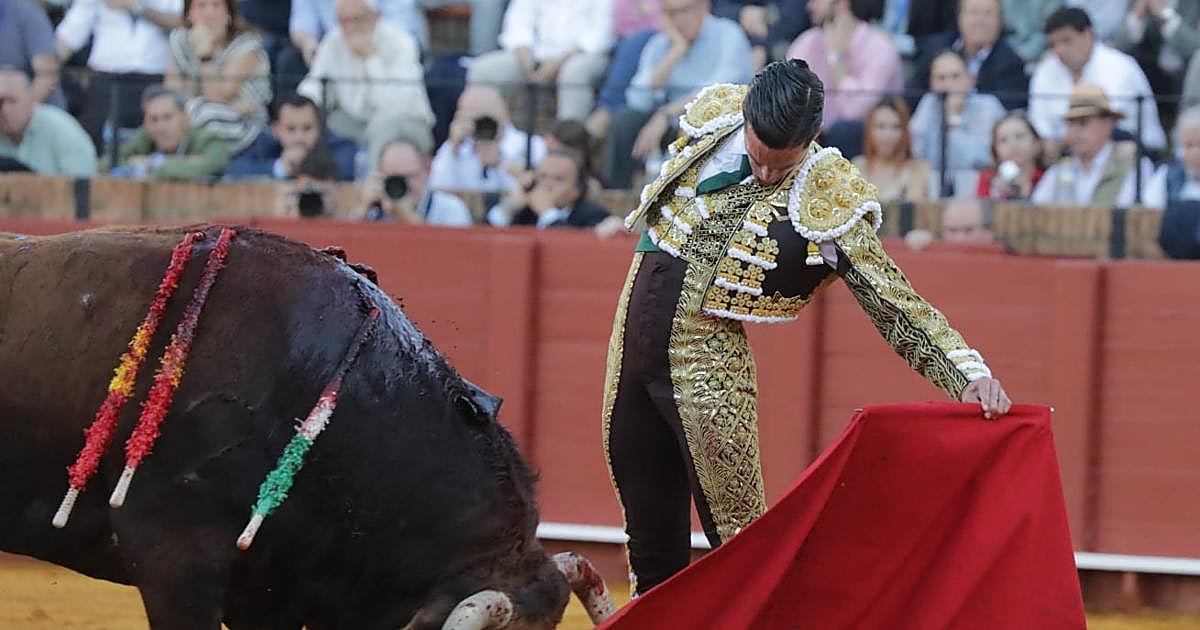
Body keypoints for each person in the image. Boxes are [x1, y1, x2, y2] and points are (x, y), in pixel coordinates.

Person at [604, 60, 1012, 595]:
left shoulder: (825, 193)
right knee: (648, 537)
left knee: (742, 545)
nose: (769, 173)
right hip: (629, 350)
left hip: (705, 369)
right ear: (746, 115)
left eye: (784, 161)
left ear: (813, 135)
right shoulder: (712, 121)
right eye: (759, 155)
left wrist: (965, 374)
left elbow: (892, 300)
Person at [1028, 7, 1167, 156]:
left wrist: (1059, 144)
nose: (1059, 50)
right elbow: (1039, 125)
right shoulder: (1046, 69)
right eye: (1053, 44)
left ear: (1088, 34)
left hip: (1134, 153)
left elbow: (1103, 127)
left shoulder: (1119, 66)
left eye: (1066, 40)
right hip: (1069, 158)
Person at [164, 0, 272, 154]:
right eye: (201, 6)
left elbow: (217, 95)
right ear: (189, 15)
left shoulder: (248, 46)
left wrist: (204, 53)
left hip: (245, 129)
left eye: (216, 5)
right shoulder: (179, 40)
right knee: (163, 115)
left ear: (229, 13)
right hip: (196, 117)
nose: (209, 13)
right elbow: (172, 94)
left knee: (203, 111)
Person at [1032, 84, 1157, 208]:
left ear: (1109, 123)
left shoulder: (1134, 166)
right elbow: (1037, 211)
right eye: (1070, 124)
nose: (1074, 132)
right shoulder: (1059, 169)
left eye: (1083, 123)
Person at [104, 85, 229, 179]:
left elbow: (214, 164)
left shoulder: (207, 138)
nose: (161, 127)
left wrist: (151, 164)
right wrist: (184, 164)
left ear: (185, 118)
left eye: (168, 117)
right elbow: (105, 164)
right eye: (154, 119)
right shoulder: (145, 137)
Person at [225, 93, 358, 181]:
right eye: (291, 129)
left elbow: (347, 167)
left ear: (319, 128)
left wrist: (306, 164)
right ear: (276, 130)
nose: (299, 137)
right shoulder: (265, 145)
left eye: (307, 128)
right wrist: (280, 167)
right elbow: (234, 170)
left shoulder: (337, 145)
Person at [0, 67, 96, 176]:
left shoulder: (61, 129)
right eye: (0, 103)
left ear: (30, 99)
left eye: (12, 101)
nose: (4, 109)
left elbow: (83, 183)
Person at [357, 137, 474, 226]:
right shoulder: (374, 209)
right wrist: (363, 209)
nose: (403, 185)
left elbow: (452, 252)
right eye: (394, 178)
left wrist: (407, 217)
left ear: (426, 173)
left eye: (409, 177)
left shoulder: (450, 209)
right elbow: (346, 249)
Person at [486, 148, 611, 228]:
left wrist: (547, 212)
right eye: (543, 176)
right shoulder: (524, 212)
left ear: (576, 189)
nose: (547, 185)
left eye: (558, 179)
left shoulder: (593, 215)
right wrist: (509, 207)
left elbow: (571, 247)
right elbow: (483, 239)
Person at [853, 96, 932, 204]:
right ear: (870, 129)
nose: (887, 135)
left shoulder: (918, 168)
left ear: (905, 131)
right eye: (881, 126)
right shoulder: (857, 166)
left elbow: (912, 213)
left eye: (896, 127)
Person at [976, 113, 1046, 201]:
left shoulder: (1049, 178)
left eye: (1019, 136)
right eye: (1003, 140)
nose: (1012, 145)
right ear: (995, 151)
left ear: (1036, 143)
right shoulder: (988, 179)